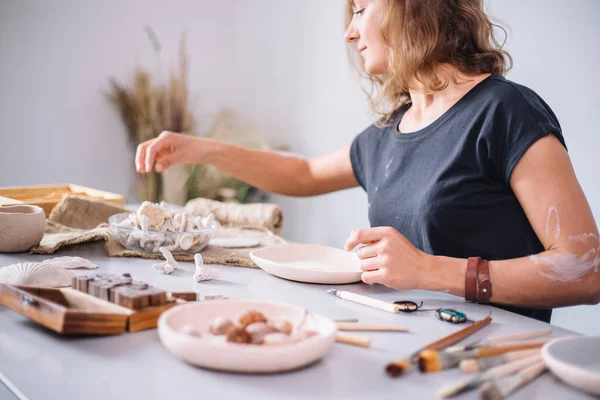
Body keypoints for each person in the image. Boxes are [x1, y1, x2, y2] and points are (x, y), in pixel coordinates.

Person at [135, 0, 600, 322]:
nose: (349, 31)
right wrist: (203, 148)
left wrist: (428, 270)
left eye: (360, 9)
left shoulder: (504, 111)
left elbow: (586, 268)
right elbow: (305, 173)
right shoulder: (390, 131)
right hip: (408, 347)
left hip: (492, 364)